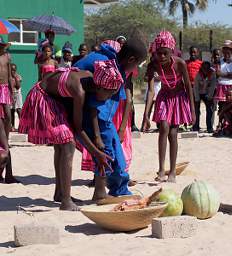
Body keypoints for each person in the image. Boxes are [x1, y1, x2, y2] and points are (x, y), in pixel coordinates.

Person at [19, 68, 113, 211]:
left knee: (61, 146)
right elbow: (78, 129)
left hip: (55, 99)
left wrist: (97, 137)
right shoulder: (79, 91)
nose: (109, 97)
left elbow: (91, 112)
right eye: (109, 93)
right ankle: (66, 201)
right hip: (42, 96)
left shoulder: (90, 78)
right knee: (68, 144)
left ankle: (60, 193)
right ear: (99, 87)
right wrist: (96, 153)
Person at [74, 39, 147, 200]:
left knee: (118, 155)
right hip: (94, 117)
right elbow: (95, 107)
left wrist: (119, 129)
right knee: (105, 152)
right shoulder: (108, 68)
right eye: (137, 65)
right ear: (131, 60)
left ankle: (119, 190)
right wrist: (98, 136)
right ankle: (100, 193)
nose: (135, 69)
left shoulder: (113, 62)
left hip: (104, 120)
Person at [141, 31, 195, 183]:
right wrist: (146, 114)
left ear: (171, 51)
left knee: (173, 134)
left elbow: (188, 86)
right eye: (159, 53)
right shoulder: (153, 65)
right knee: (163, 127)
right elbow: (151, 91)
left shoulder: (180, 64)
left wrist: (192, 110)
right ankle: (161, 169)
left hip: (178, 98)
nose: (162, 57)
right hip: (164, 97)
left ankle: (172, 172)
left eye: (165, 53)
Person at [0, 37, 19, 183]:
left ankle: (9, 175)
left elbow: (9, 75)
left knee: (7, 117)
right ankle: (7, 174)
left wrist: (12, 92)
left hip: (5, 88)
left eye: (2, 45)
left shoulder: (7, 56)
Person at [193, 61, 216, 133]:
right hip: (198, 93)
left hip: (208, 93)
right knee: (196, 110)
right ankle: (195, 127)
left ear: (209, 68)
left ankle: (209, 127)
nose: (205, 70)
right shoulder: (198, 74)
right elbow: (196, 87)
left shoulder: (212, 74)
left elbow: (213, 86)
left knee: (209, 110)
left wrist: (209, 96)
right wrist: (197, 98)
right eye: (204, 68)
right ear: (201, 68)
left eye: (207, 68)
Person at [214, 40, 232, 113]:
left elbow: (220, 73)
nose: (226, 52)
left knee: (230, 107)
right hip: (221, 86)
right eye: (224, 50)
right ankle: (221, 123)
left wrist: (222, 74)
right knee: (221, 107)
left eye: (228, 50)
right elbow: (218, 73)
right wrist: (229, 74)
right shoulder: (219, 61)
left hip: (231, 86)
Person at [10, 63, 23, 131]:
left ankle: (21, 125)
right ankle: (12, 126)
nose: (13, 72)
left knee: (19, 109)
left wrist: (15, 78)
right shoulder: (8, 77)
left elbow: (18, 86)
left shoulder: (18, 76)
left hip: (17, 94)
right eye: (11, 70)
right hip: (10, 95)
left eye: (14, 70)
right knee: (11, 110)